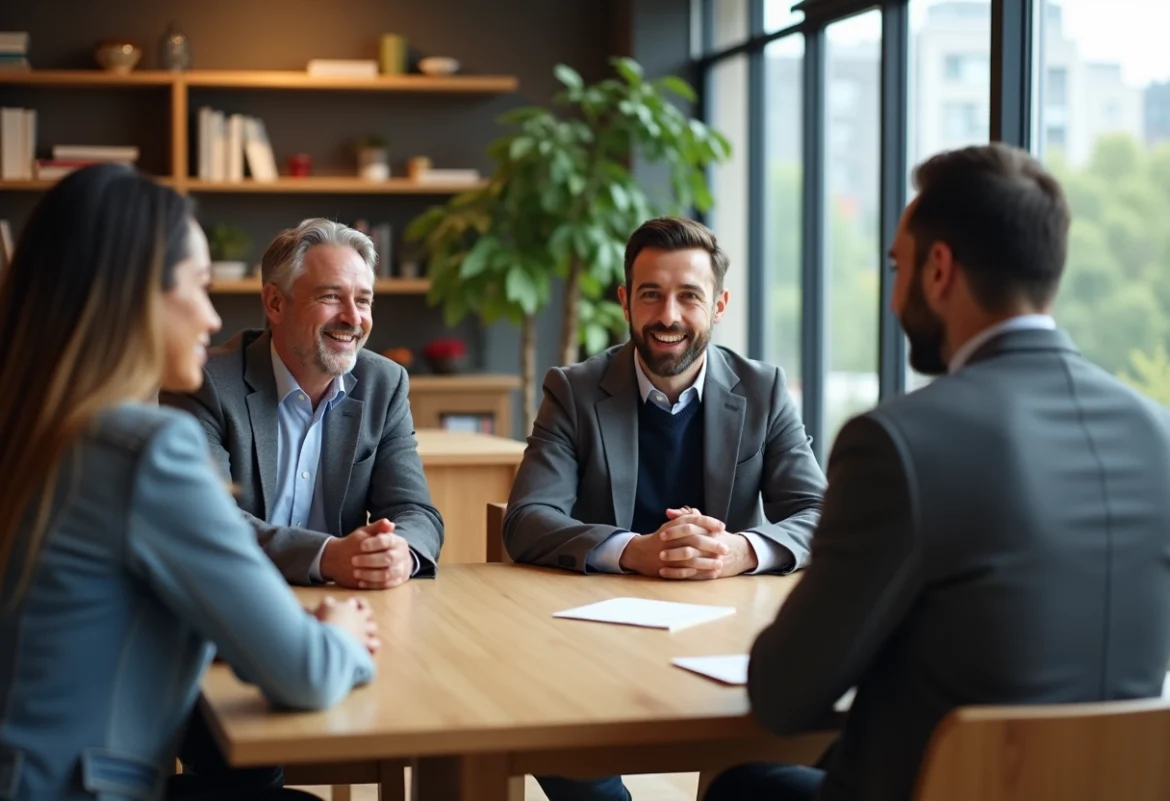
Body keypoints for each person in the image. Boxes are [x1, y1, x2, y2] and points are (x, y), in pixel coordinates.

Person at [704, 142, 1170, 801]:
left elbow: (782, 696)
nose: (894, 296)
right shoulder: (1158, 433)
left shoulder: (898, 441)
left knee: (743, 788)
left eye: (898, 266)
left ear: (939, 268)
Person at [0, 164, 379, 801]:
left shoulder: (32, 430)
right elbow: (307, 673)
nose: (210, 317)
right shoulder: (141, 450)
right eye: (198, 286)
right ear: (133, 295)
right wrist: (337, 635)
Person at [504, 216, 826, 801]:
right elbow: (527, 520)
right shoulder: (573, 391)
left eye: (689, 296)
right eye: (651, 294)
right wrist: (636, 551)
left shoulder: (763, 390)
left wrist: (739, 550)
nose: (669, 316)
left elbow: (817, 513)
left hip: (728, 635)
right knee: (570, 761)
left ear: (720, 304)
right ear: (626, 300)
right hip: (590, 639)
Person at [160, 217, 443, 590]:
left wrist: (397, 553)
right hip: (238, 598)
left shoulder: (384, 384)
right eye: (331, 297)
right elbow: (209, 523)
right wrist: (328, 556)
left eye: (363, 300)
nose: (353, 318)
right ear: (276, 303)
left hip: (348, 603)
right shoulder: (206, 382)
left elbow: (416, 511)